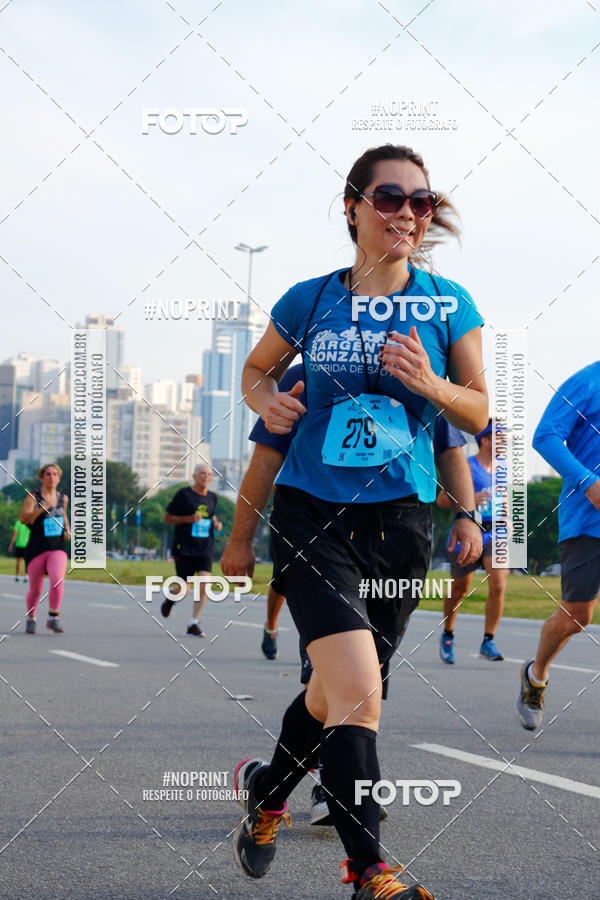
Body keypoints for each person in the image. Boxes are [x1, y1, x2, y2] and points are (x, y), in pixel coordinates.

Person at [230, 143, 488, 899]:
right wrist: (262, 400)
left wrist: (433, 384)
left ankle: (269, 794)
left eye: (421, 201)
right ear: (352, 208)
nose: (406, 213)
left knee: (340, 693)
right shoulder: (309, 300)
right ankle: (370, 872)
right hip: (314, 514)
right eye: (389, 197)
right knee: (357, 689)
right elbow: (255, 372)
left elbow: (478, 410)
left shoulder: (449, 304)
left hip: (402, 525)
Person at [221, 363, 482, 828]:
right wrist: (240, 540)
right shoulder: (305, 375)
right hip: (319, 536)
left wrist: (467, 514)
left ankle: (269, 786)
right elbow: (265, 460)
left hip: (395, 543)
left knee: (357, 684)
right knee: (345, 682)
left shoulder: (419, 375)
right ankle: (346, 807)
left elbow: (450, 451)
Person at [516, 361, 600, 730]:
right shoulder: (588, 381)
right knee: (577, 616)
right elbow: (546, 435)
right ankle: (536, 675)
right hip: (588, 520)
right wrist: (588, 481)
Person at [437, 419, 508, 664]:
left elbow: (507, 502)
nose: (505, 441)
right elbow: (442, 500)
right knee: (460, 589)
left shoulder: (504, 470)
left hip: (496, 533)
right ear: (485, 440)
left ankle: (489, 640)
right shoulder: (466, 465)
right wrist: (471, 499)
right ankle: (448, 634)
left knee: (498, 582)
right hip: (469, 530)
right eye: (500, 436)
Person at [161, 464, 223, 637]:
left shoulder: (213, 497)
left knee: (204, 584)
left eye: (209, 474)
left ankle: (193, 623)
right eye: (202, 474)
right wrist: (189, 519)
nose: (206, 477)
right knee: (183, 588)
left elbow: (211, 515)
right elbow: (167, 518)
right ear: (194, 476)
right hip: (184, 548)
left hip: (205, 548)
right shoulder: (183, 495)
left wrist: (216, 523)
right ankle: (170, 601)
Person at [20, 463, 71, 634]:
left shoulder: (63, 498)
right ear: (42, 477)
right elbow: (23, 519)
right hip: (36, 547)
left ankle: (53, 617)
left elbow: (63, 515)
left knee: (57, 580)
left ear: (58, 478)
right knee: (36, 589)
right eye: (48, 474)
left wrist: (67, 530)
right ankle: (31, 618)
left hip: (57, 546)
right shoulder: (33, 497)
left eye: (55, 474)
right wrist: (41, 509)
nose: (51, 477)